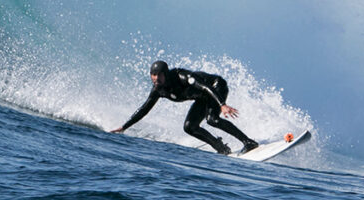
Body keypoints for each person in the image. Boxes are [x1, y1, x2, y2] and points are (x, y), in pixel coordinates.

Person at [110, 60, 259, 155]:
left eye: (158, 75)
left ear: (166, 74)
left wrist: (222, 104)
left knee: (212, 120)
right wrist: (124, 127)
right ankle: (221, 148)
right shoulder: (158, 89)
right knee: (189, 126)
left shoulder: (182, 77)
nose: (155, 78)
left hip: (215, 88)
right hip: (202, 97)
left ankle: (248, 142)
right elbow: (144, 109)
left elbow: (205, 87)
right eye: (152, 75)